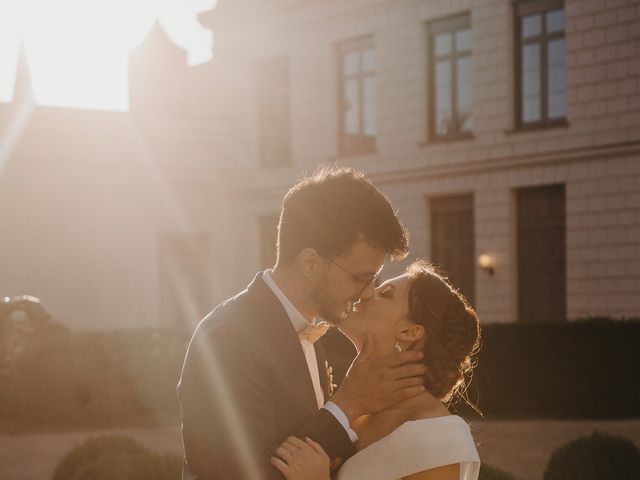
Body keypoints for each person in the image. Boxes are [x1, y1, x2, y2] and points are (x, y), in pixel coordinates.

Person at [178, 167, 428, 479]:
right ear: (310, 262)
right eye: (360, 278)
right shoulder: (228, 339)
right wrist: (347, 403)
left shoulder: (310, 331)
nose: (367, 294)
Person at [271, 260, 482, 480]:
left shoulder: (440, 436)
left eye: (385, 293)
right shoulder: (348, 408)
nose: (367, 293)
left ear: (409, 332)